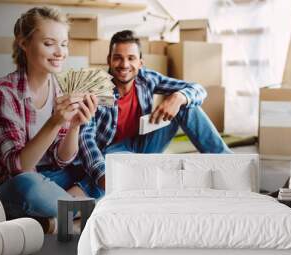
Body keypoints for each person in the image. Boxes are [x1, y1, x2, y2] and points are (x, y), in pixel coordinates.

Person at [76, 30, 231, 198]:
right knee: (119, 175)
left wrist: (178, 97)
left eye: (131, 58)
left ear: (141, 62)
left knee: (186, 104)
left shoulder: (147, 78)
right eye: (118, 57)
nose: (124, 64)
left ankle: (228, 165)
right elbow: (86, 138)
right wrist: (101, 174)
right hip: (113, 153)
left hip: (146, 142)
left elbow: (198, 89)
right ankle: (92, 190)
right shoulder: (96, 88)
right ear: (109, 60)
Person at [0, 7, 97, 232]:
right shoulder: (4, 91)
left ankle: (57, 220)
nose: (60, 52)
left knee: (101, 166)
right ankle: (82, 213)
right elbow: (20, 167)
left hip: (54, 179)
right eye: (49, 43)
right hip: (16, 184)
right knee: (31, 185)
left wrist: (74, 126)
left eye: (64, 44)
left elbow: (61, 159)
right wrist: (55, 121)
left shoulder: (62, 88)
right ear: (24, 44)